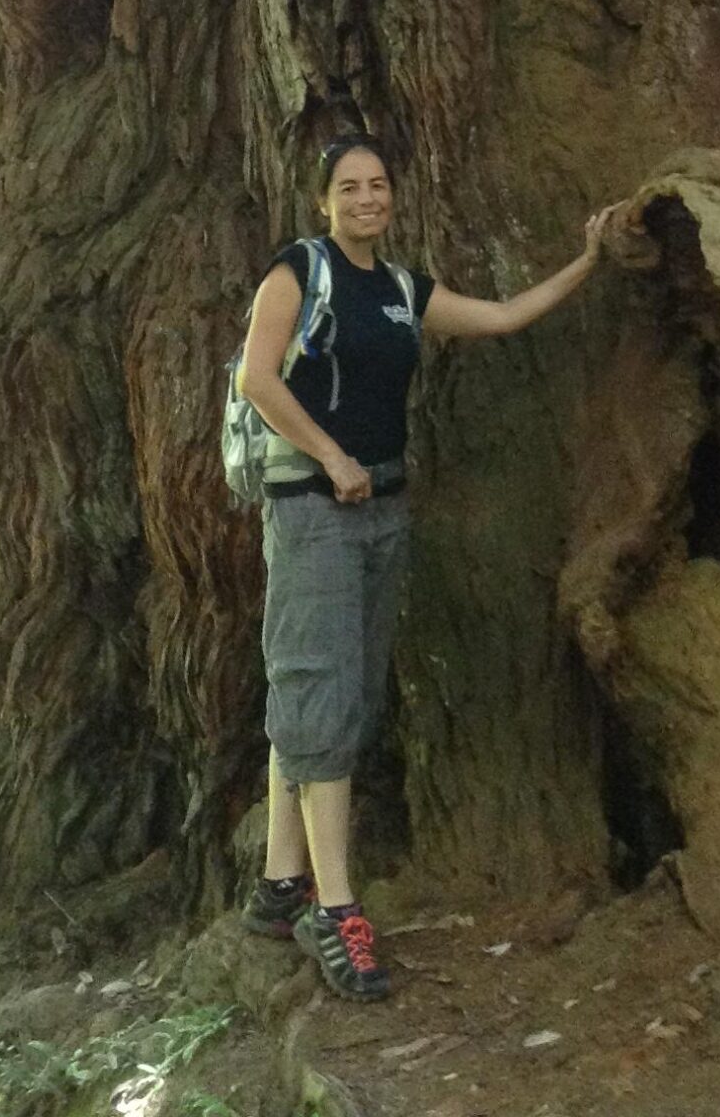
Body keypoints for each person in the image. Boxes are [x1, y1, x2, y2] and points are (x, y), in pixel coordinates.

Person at [236, 131, 610, 1001]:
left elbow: (504, 316)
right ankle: (335, 911)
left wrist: (589, 259)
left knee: (337, 690)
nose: (367, 198)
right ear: (324, 201)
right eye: (350, 187)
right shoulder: (298, 273)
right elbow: (260, 379)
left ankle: (280, 880)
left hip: (383, 513)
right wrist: (331, 458)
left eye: (378, 185)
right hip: (314, 512)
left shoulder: (402, 291)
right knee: (320, 689)